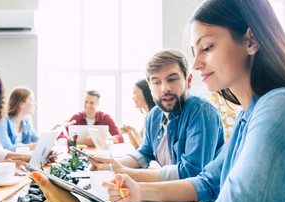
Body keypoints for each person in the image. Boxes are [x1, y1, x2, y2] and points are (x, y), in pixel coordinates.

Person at [31, 0, 285, 202]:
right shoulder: (253, 112)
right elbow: (208, 181)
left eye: (207, 46)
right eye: (194, 50)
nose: (196, 63)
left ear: (251, 40)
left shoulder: (282, 106)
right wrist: (140, 191)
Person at [90, 49, 224, 186]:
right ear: (150, 86)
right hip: (170, 197)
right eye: (156, 82)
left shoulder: (202, 110)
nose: (165, 88)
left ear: (188, 81)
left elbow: (191, 173)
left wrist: (125, 172)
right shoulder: (154, 115)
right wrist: (111, 165)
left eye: (172, 79)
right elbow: (144, 153)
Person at [0, 87, 38, 152]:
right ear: (21, 104)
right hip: (0, 161)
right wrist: (35, 146)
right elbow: (6, 148)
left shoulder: (26, 121)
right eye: (31, 100)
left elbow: (36, 139)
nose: (35, 104)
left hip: (18, 160)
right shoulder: (1, 120)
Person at [119, 79, 156, 149]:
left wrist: (133, 130)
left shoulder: (155, 116)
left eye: (135, 93)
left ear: (146, 92)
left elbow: (145, 147)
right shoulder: (147, 116)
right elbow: (137, 146)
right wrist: (129, 132)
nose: (133, 98)